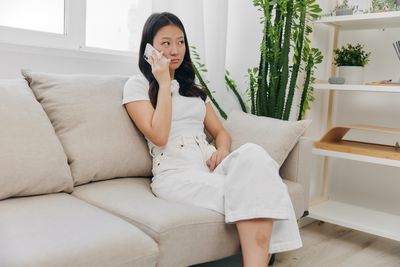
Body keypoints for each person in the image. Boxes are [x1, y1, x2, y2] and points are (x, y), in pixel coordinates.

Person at [123, 12, 302, 267]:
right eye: (166, 43)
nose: (175, 50)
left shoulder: (193, 90)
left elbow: (221, 132)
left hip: (208, 163)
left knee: (254, 154)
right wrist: (163, 83)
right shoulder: (137, 86)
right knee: (255, 189)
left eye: (180, 42)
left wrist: (223, 150)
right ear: (149, 48)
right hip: (175, 172)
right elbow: (159, 136)